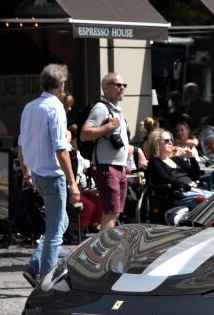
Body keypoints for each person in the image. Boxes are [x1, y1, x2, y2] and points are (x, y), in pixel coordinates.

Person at [17, 64, 80, 286]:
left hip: (37, 173)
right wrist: (72, 182)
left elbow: (21, 145)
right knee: (55, 230)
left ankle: (36, 265)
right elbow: (60, 148)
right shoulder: (55, 108)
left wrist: (26, 172)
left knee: (60, 221)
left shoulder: (29, 107)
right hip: (52, 175)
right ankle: (45, 278)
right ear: (61, 86)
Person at [81, 73, 131, 231]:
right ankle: (103, 252)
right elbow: (84, 134)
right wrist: (108, 127)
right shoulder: (101, 108)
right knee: (111, 211)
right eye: (117, 85)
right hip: (106, 167)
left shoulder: (116, 110)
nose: (121, 88)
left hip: (118, 167)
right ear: (105, 88)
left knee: (114, 212)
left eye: (123, 85)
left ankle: (104, 248)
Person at [144, 128, 206, 216]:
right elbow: (165, 178)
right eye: (166, 140)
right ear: (157, 143)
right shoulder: (155, 162)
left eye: (171, 140)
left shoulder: (176, 159)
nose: (170, 142)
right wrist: (186, 186)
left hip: (194, 190)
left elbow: (196, 176)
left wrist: (192, 159)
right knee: (211, 203)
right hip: (179, 194)